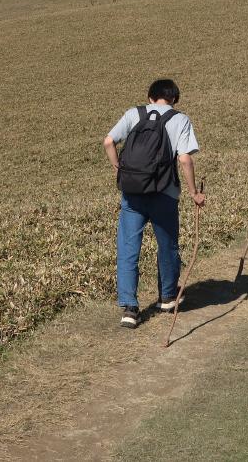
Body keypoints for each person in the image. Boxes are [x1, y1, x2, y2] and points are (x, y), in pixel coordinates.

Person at [103, 79, 206, 328]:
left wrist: (120, 168)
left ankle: (129, 307)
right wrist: (194, 192)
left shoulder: (133, 114)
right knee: (167, 245)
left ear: (151, 97)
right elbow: (184, 159)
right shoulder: (180, 120)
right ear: (174, 99)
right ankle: (168, 296)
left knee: (129, 248)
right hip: (165, 192)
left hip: (133, 192)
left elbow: (108, 141)